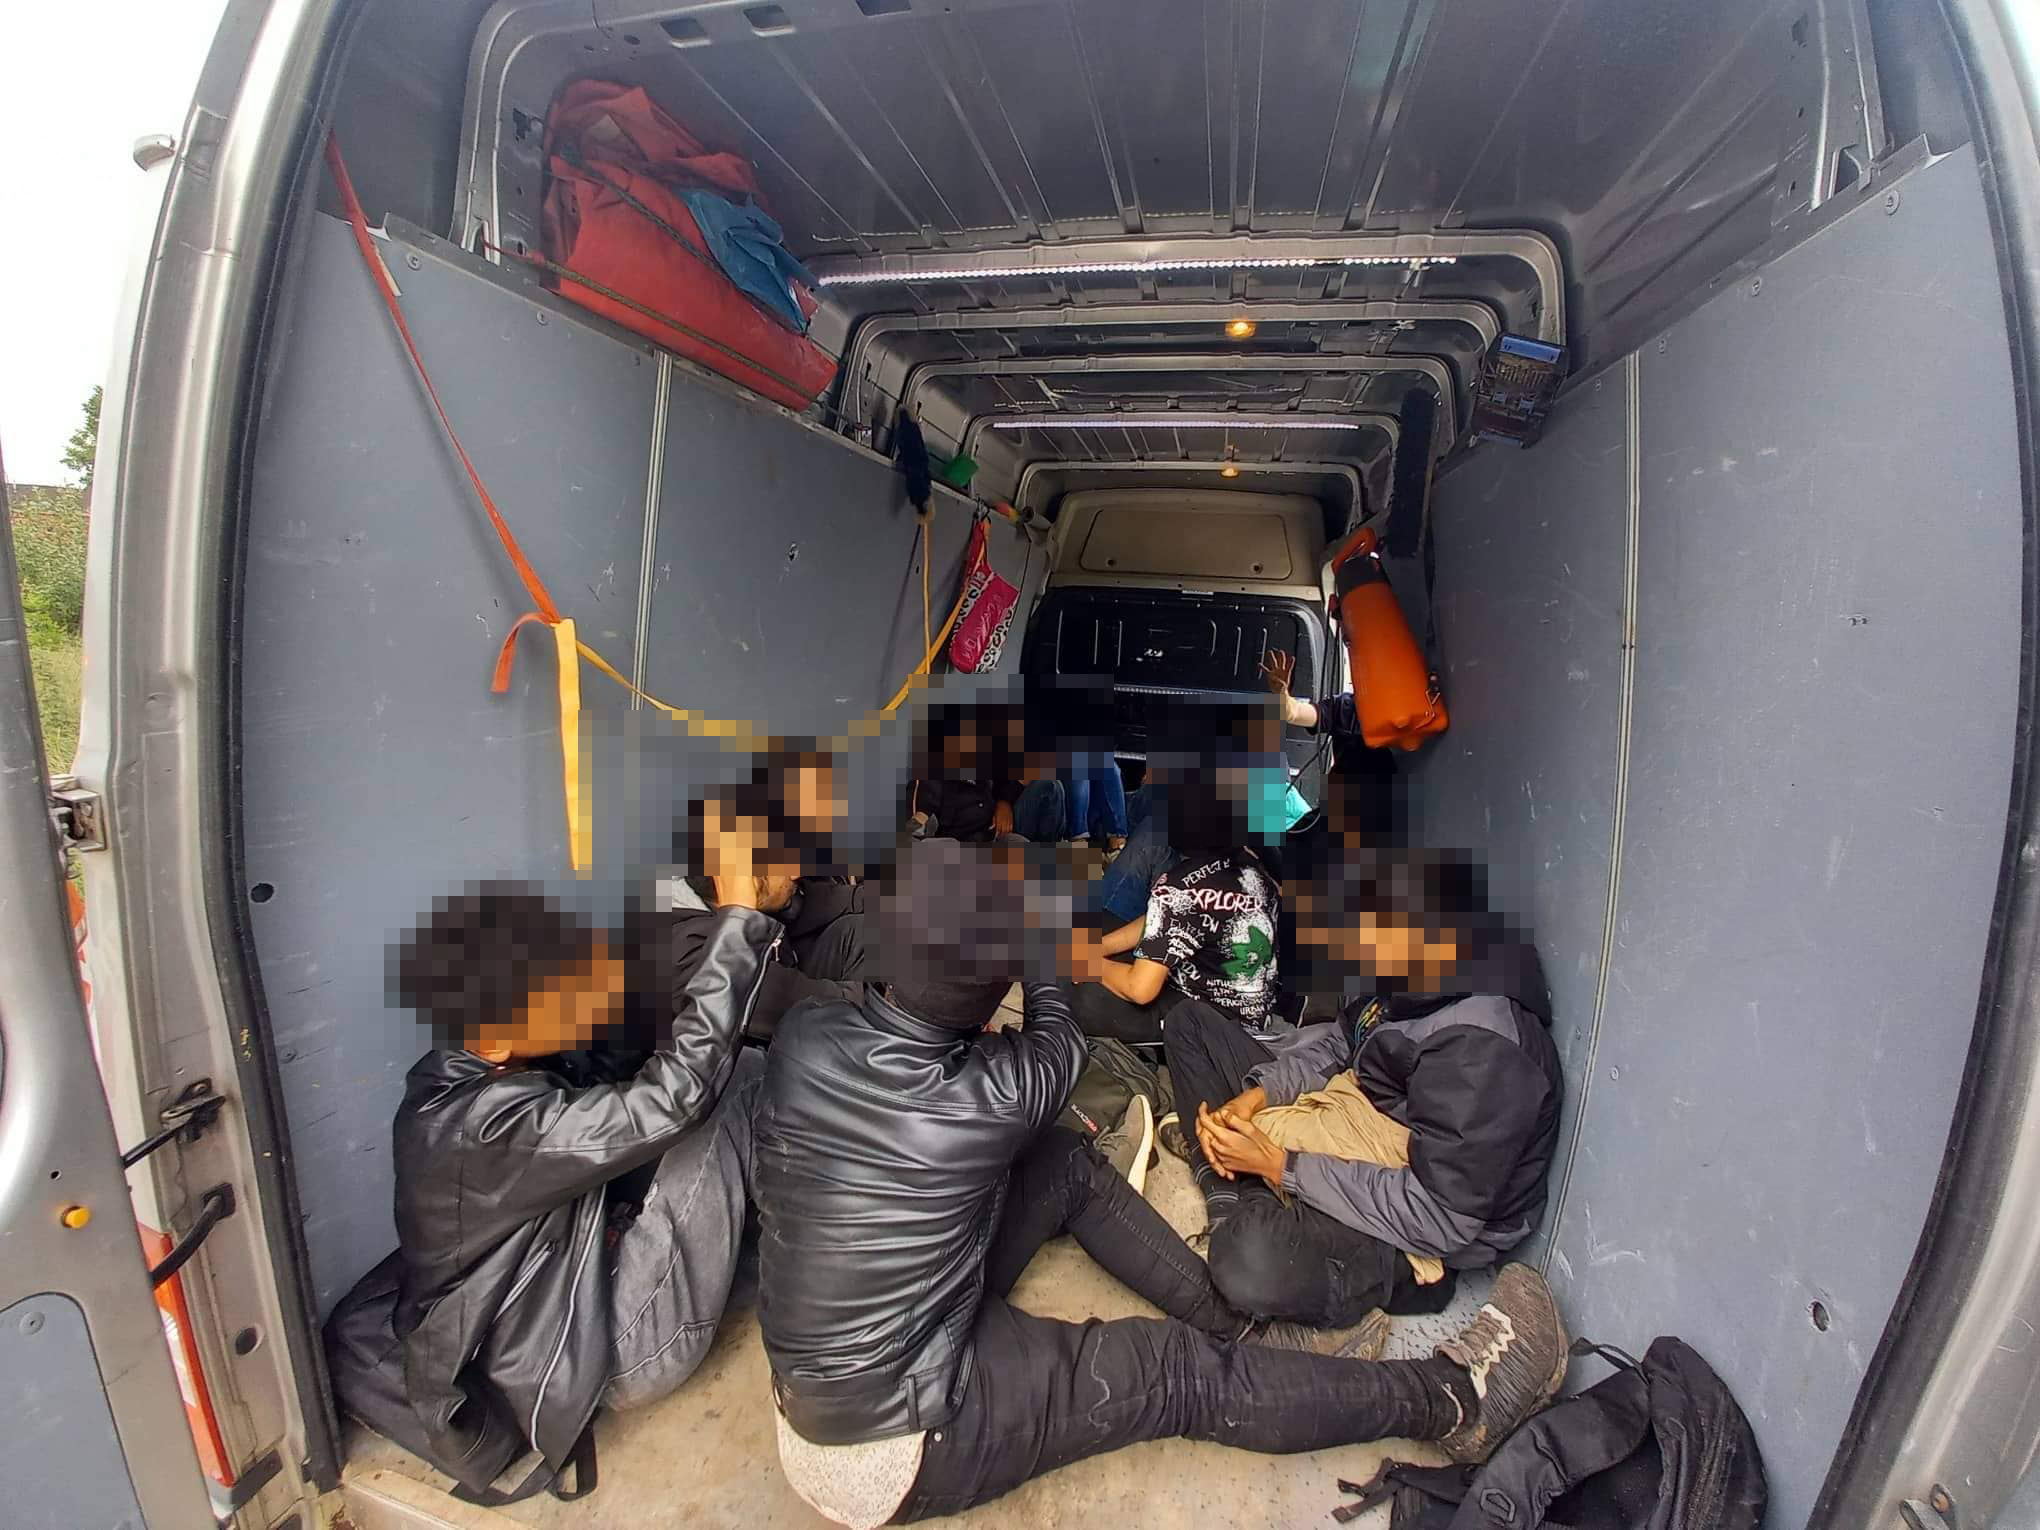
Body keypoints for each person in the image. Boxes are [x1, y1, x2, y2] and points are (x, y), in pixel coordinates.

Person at [754, 837, 1571, 1526]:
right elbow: (1057, 1022)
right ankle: (1454, 1398)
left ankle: (1247, 1330)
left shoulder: (808, 1032)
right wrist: (1035, 941)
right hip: (895, 1439)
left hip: (835, 1368)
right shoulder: (1002, 1091)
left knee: (1060, 1163)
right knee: (1178, 1377)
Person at [322, 804, 790, 1498]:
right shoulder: (487, 1126)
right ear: (496, 1034)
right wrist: (739, 920)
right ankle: (811, 1256)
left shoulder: (473, 1071)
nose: (577, 990)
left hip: (559, 1318)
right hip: (611, 1355)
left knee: (720, 1078)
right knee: (729, 1086)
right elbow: (676, 1097)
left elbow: (630, 1073)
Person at [1164, 847, 1563, 1334]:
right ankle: (1231, 1187)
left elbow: (1440, 1215)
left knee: (1248, 1258)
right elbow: (1342, 1041)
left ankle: (1252, 1189)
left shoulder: (1484, 1049)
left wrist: (1280, 1166)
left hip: (1416, 1202)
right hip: (1355, 1107)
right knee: (1189, 1025)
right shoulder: (1405, 970)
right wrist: (1259, 1095)